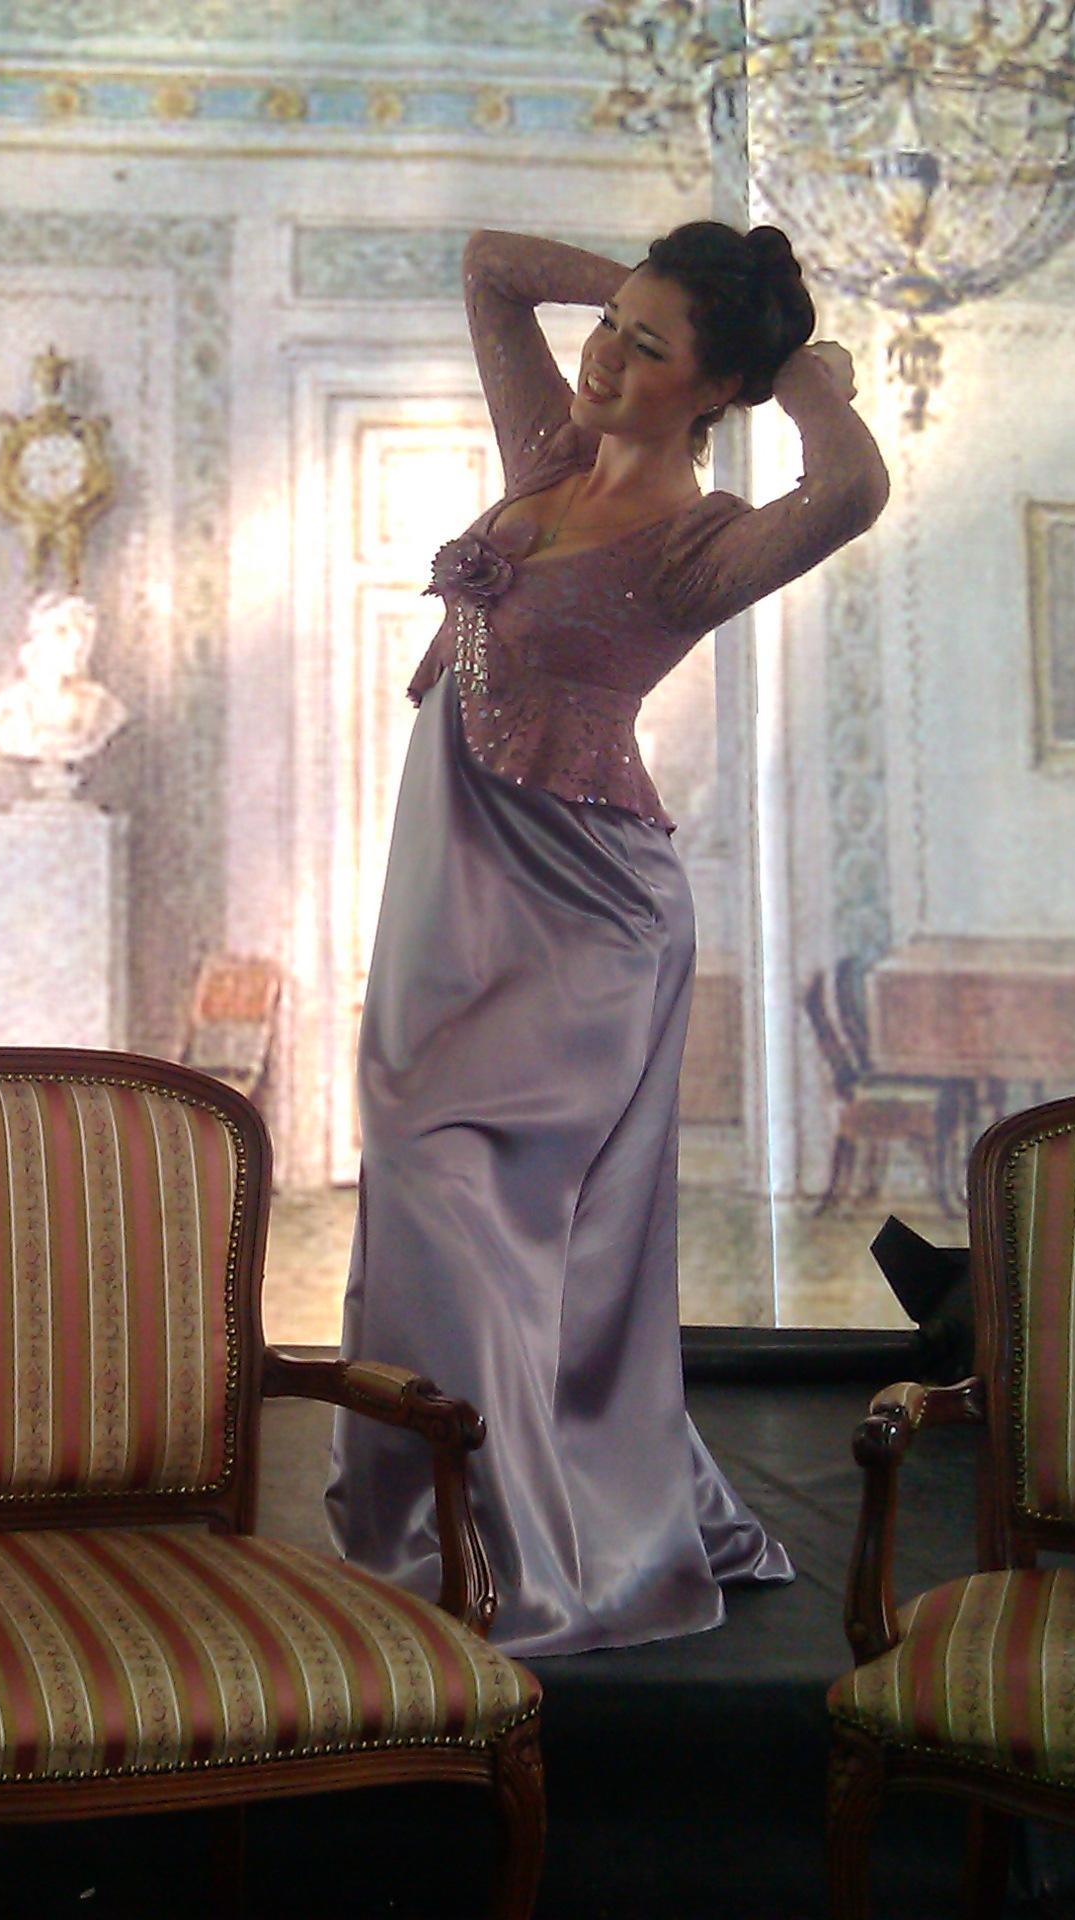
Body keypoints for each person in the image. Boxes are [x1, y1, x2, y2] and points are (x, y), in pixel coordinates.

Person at [325, 224, 890, 1658]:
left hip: (584, 915)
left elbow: (852, 489)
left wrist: (800, 370)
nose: (605, 358)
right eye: (611, 329)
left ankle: (510, 1543)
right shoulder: (546, 460)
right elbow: (489, 267)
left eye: (649, 349)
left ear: (716, 390)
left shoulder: (702, 548)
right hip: (452, 889)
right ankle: (463, 1510)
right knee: (421, 1159)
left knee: (473, 1193)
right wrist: (645, 288)